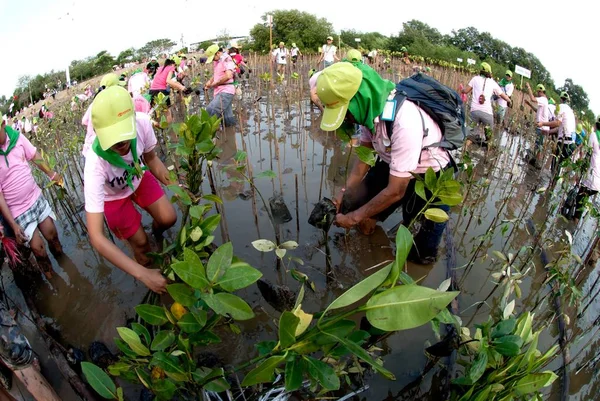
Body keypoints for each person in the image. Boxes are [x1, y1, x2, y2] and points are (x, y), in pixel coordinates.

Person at [318, 62, 451, 264]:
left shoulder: (404, 120)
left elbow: (396, 190)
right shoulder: (368, 115)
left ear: (360, 99)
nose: (347, 119)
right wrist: (343, 194)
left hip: (430, 176)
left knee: (421, 251)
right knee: (359, 206)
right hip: (393, 165)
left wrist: (353, 218)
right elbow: (363, 159)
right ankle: (368, 249)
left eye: (347, 112)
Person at [84, 86, 177, 294]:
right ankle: (149, 270)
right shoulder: (94, 163)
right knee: (142, 249)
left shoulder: (142, 123)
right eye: (114, 137)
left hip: (138, 176)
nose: (122, 142)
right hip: (113, 197)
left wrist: (177, 188)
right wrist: (142, 274)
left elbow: (151, 159)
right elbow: (96, 236)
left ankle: (156, 233)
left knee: (169, 218)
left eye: (125, 134)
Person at [0, 118, 63, 278]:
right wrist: (13, 225)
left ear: (3, 125)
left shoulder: (18, 138)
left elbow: (35, 156)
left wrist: (52, 174)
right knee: (38, 250)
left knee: (53, 236)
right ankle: (54, 280)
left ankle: (66, 265)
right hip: (18, 211)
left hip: (36, 198)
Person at [461, 62, 511, 145]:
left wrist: (462, 90)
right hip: (487, 114)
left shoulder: (475, 79)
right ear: (489, 72)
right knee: (489, 139)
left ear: (480, 70)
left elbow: (466, 91)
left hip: (474, 112)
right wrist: (509, 101)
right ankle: (487, 154)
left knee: (470, 137)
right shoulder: (492, 82)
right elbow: (503, 95)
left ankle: (464, 151)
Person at [538, 92, 576, 175]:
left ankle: (551, 185)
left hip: (564, 143)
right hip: (571, 144)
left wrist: (543, 124)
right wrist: (548, 132)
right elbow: (559, 128)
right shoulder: (570, 111)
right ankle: (553, 184)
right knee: (557, 166)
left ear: (560, 99)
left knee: (554, 167)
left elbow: (557, 123)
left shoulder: (561, 107)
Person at [573, 118, 600, 224]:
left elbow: (587, 155)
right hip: (598, 183)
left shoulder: (594, 135)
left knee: (579, 202)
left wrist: (578, 174)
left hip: (591, 178)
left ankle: (573, 226)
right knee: (582, 201)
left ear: (596, 125)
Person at [204, 45, 237, 127]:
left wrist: (215, 83)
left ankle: (208, 133)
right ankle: (231, 134)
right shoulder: (217, 61)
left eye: (213, 58)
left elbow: (228, 76)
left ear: (218, 53)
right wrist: (210, 81)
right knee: (227, 118)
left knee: (210, 110)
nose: (212, 60)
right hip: (219, 91)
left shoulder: (226, 59)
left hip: (225, 91)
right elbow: (217, 74)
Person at [149, 59, 188, 123]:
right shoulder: (171, 68)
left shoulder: (161, 68)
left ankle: (160, 128)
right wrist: (181, 87)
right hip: (161, 91)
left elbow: (169, 81)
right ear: (172, 64)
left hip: (152, 91)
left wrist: (179, 85)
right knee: (167, 111)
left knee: (157, 111)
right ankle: (170, 129)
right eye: (175, 66)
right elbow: (168, 81)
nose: (175, 68)